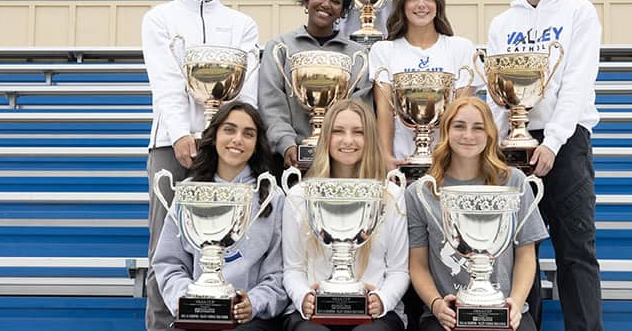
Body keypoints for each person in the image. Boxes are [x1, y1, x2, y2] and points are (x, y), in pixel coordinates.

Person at [142, 0, 260, 330]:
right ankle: (162, 325)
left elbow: (247, 89)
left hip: (228, 148)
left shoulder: (242, 24)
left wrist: (234, 141)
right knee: (166, 248)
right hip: (171, 144)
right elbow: (165, 80)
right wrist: (180, 134)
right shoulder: (159, 18)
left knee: (230, 241)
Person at [486, 0, 603, 330]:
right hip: (514, 143)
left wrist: (552, 142)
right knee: (519, 251)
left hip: (565, 142)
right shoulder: (503, 22)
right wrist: (495, 146)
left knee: (575, 250)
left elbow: (577, 81)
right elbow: (496, 92)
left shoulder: (579, 11)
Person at [405, 96, 548, 331]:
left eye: (478, 128)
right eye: (459, 126)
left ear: (490, 133)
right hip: (446, 315)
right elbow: (418, 264)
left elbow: (525, 254)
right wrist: (437, 305)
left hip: (506, 310)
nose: (468, 136)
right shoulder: (421, 191)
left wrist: (516, 305)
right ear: (446, 131)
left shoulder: (514, 181)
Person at [152, 101, 287, 331]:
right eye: (229, 130)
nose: (237, 139)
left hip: (251, 321)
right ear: (213, 137)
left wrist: (253, 303)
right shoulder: (189, 191)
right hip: (196, 315)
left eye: (248, 134)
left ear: (256, 144)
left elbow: (278, 274)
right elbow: (169, 263)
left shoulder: (271, 197)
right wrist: (188, 300)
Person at [282, 99, 409, 331]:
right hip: (314, 312)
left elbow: (399, 270)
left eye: (358, 132)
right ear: (325, 138)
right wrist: (304, 298)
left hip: (376, 314)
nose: (348, 140)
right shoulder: (300, 195)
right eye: (338, 131)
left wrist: (382, 300)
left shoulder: (391, 195)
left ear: (370, 138)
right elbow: (293, 268)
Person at [369, 0, 483, 173]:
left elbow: (462, 110)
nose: (421, 4)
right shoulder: (383, 50)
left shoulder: (461, 48)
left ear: (438, 4)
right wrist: (385, 155)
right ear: (402, 5)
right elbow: (384, 109)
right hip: (401, 160)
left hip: (449, 163)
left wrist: (455, 160)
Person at [259, 0, 372, 170]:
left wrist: (341, 146)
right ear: (306, 0)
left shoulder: (358, 55)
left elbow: (359, 106)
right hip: (285, 161)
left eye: (335, 1)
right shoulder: (280, 47)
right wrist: (286, 145)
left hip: (341, 161)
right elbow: (271, 104)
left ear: (343, 12)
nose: (326, 4)